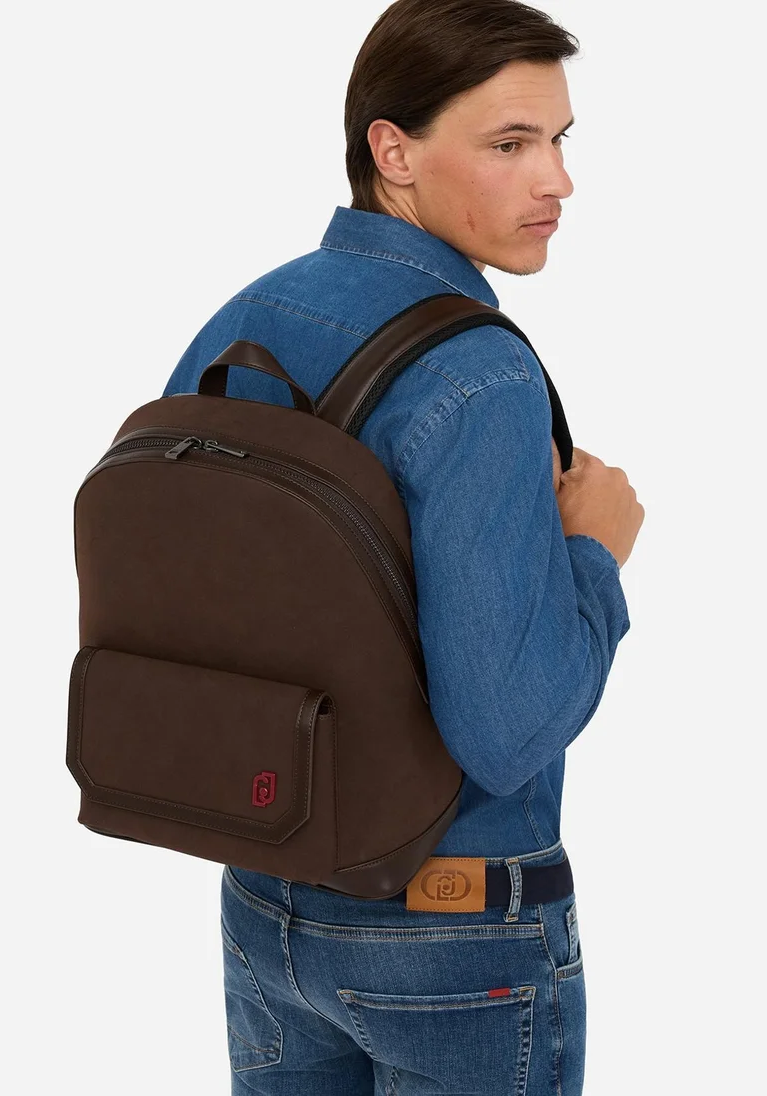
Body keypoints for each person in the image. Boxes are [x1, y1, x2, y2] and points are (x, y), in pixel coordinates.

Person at [162, 2, 644, 1092]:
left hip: (266, 903)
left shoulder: (247, 315)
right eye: (509, 144)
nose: (557, 181)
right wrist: (595, 555)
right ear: (393, 151)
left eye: (559, 140)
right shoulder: (477, 373)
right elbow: (505, 730)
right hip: (453, 934)